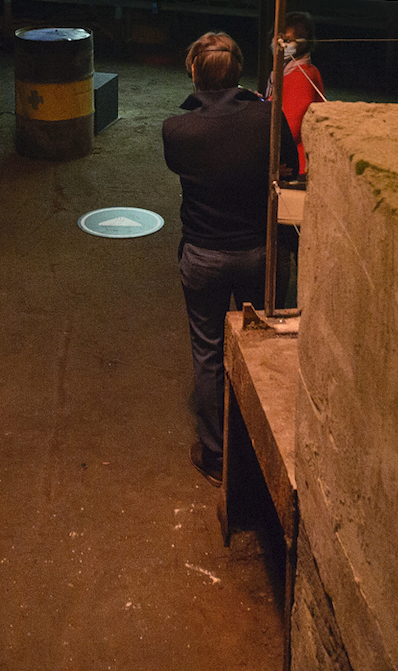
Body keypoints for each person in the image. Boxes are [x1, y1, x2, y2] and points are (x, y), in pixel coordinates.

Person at [163, 31, 298, 485]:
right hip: (260, 251)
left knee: (208, 351)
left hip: (203, 254)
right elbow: (289, 169)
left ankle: (218, 457)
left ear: (194, 73)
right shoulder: (268, 118)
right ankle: (261, 452)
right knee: (263, 346)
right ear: (239, 73)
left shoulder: (177, 129)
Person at [265, 10, 326, 176]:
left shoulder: (301, 77)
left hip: (294, 165)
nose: (279, 44)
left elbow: (288, 128)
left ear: (304, 43)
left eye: (287, 40)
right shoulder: (289, 72)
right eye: (277, 38)